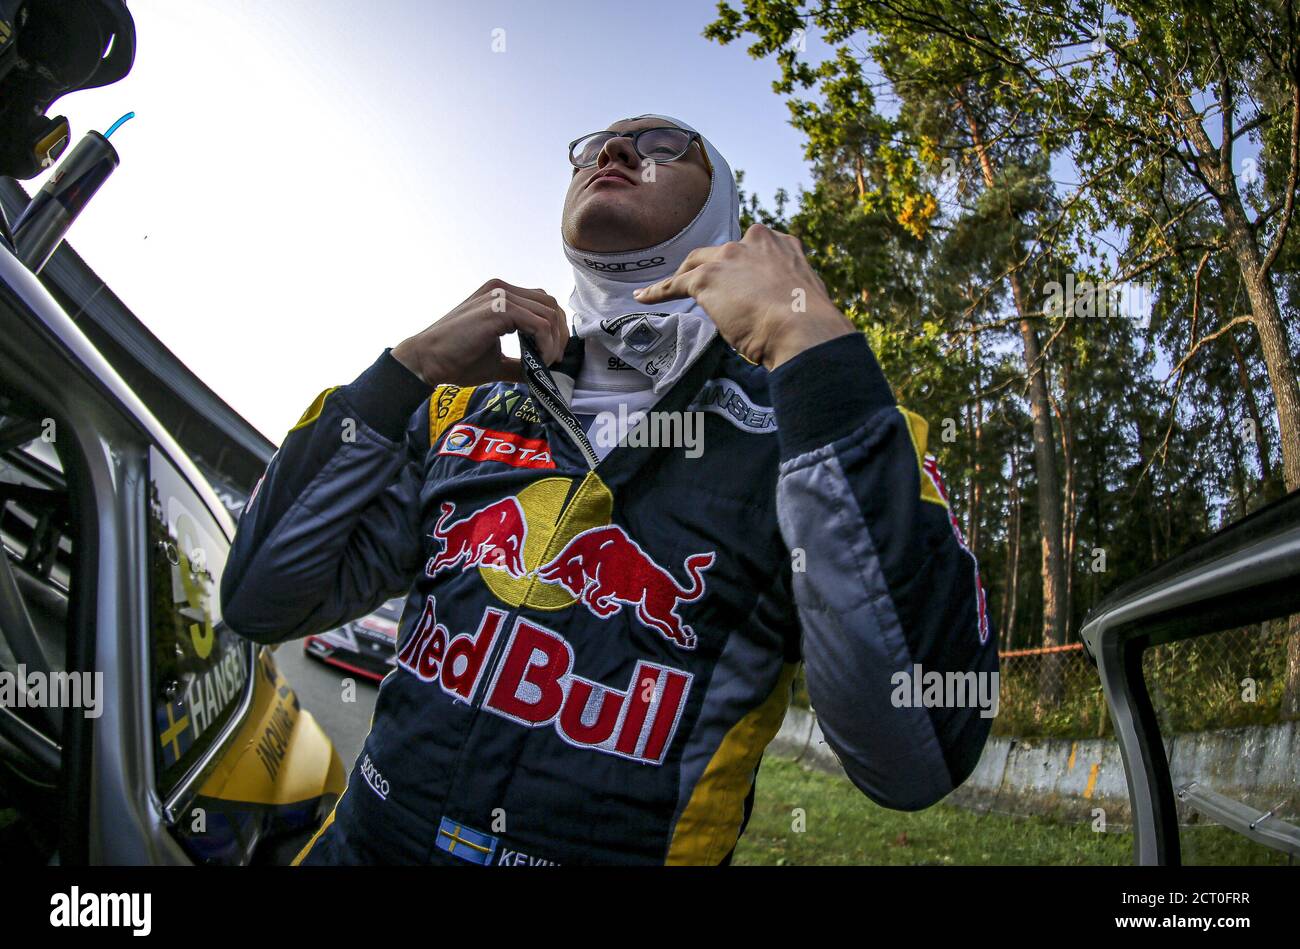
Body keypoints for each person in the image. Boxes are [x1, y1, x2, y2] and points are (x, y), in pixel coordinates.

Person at [219, 114, 997, 866]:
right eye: (594, 144)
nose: (617, 147)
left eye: (665, 144)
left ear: (722, 208)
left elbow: (916, 756)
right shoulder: (462, 400)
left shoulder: (815, 420)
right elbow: (261, 602)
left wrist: (810, 340)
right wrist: (404, 369)